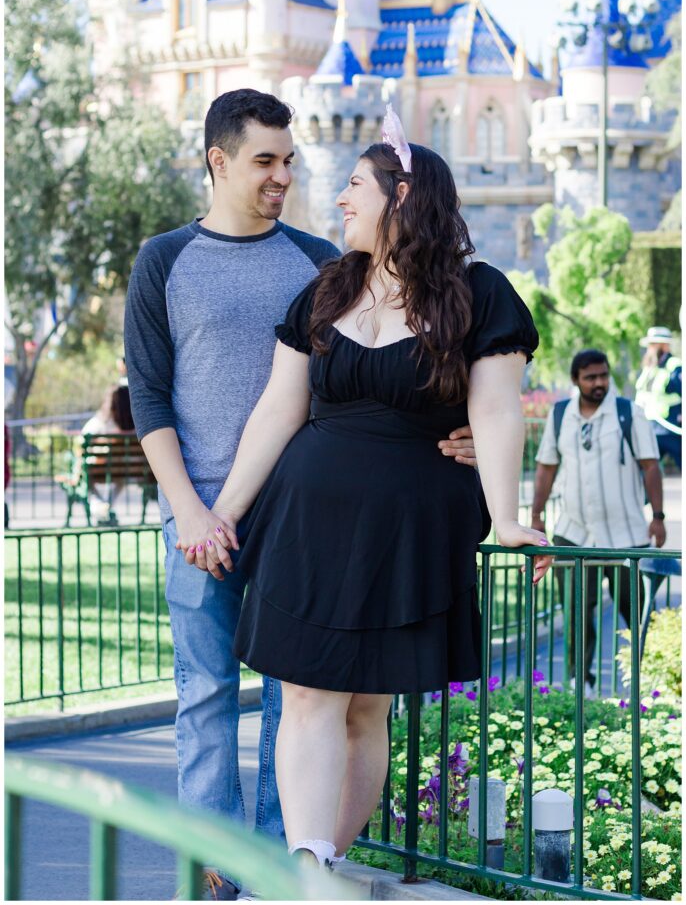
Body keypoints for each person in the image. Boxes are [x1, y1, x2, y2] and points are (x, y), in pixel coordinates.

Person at [124, 91, 477, 899]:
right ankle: (217, 869)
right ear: (219, 161)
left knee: (302, 700)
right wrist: (190, 512)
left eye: (290, 160)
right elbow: (149, 395)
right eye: (266, 161)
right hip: (201, 516)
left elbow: (387, 366)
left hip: (305, 523)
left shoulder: (324, 261)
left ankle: (287, 868)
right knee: (205, 694)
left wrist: (455, 437)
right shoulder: (164, 260)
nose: (285, 175)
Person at [185, 110, 550, 872]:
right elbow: (277, 411)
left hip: (411, 529)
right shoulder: (326, 290)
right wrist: (224, 511)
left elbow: (494, 409)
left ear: (403, 194)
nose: (341, 200)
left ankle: (321, 860)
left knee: (365, 707)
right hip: (307, 525)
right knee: (310, 696)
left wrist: (510, 517)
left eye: (355, 186)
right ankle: (309, 869)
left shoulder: (479, 294)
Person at [532, 348, 665, 695]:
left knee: (637, 614)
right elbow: (546, 466)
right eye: (591, 377)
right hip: (573, 535)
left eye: (604, 375)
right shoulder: (560, 415)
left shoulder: (628, 413)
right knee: (577, 612)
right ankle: (581, 685)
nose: (599, 383)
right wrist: (536, 515)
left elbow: (651, 465)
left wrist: (659, 517)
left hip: (627, 535)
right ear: (576, 380)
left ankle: (648, 683)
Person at [79, 385, 135, 524]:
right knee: (120, 478)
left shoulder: (98, 423)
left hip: (96, 470)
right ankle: (106, 506)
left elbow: (82, 442)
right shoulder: (134, 428)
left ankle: (99, 506)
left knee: (84, 477)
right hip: (124, 470)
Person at [635, 326, 682, 472]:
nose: (651, 348)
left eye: (654, 344)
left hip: (671, 428)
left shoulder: (675, 366)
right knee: (645, 471)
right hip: (650, 428)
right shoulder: (649, 368)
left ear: (664, 345)